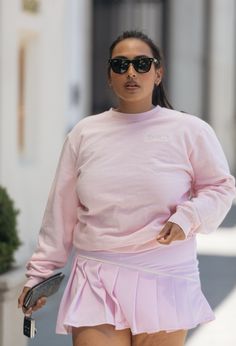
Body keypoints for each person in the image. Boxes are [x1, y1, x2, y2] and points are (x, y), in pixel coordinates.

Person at [18, 30, 236, 346]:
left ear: (158, 73)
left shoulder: (190, 130)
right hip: (96, 275)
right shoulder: (84, 133)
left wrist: (188, 217)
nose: (131, 72)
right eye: (120, 65)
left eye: (142, 64)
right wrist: (39, 276)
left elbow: (220, 187)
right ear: (109, 76)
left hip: (165, 276)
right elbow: (60, 214)